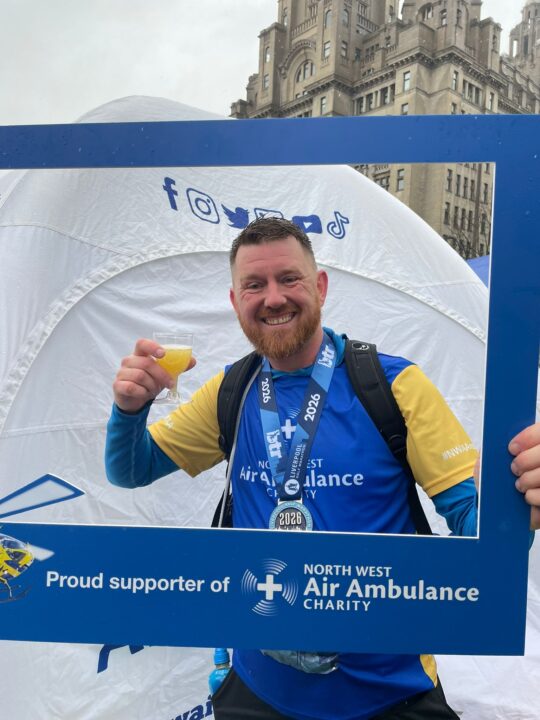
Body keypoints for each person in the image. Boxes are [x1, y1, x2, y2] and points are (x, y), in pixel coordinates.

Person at [105, 217, 540, 720]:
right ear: (234, 301)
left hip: (391, 693)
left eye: (289, 278)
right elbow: (131, 470)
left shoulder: (391, 384)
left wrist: (515, 502)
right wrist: (129, 409)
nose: (273, 298)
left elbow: (471, 521)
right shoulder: (230, 391)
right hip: (257, 690)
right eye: (254, 285)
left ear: (321, 286)